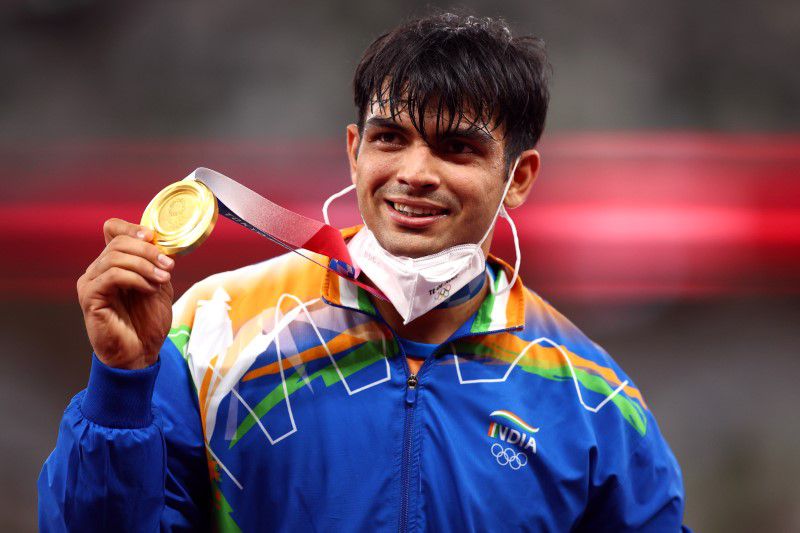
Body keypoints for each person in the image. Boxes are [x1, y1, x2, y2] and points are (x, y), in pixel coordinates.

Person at [38, 12, 690, 532]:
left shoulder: (590, 396)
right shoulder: (214, 329)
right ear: (354, 153)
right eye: (390, 137)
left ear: (517, 177)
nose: (413, 172)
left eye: (456, 147)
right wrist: (121, 387)